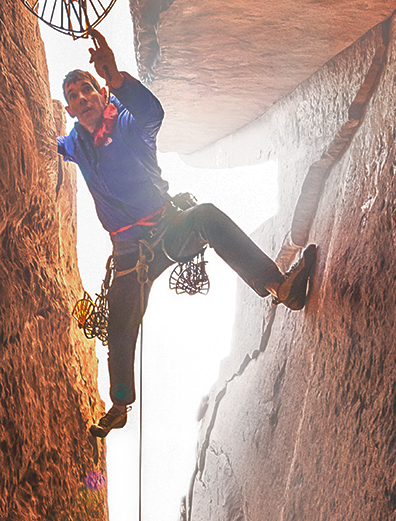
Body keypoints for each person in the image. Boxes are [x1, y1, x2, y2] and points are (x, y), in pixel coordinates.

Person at [56, 29, 317, 437]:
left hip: (167, 230)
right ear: (71, 111)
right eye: (73, 96)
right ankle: (120, 403)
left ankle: (279, 286)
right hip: (128, 255)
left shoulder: (127, 124)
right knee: (121, 327)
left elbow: (151, 114)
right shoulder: (74, 144)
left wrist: (117, 78)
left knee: (207, 216)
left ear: (101, 94)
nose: (81, 98)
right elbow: (46, 142)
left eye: (86, 89)